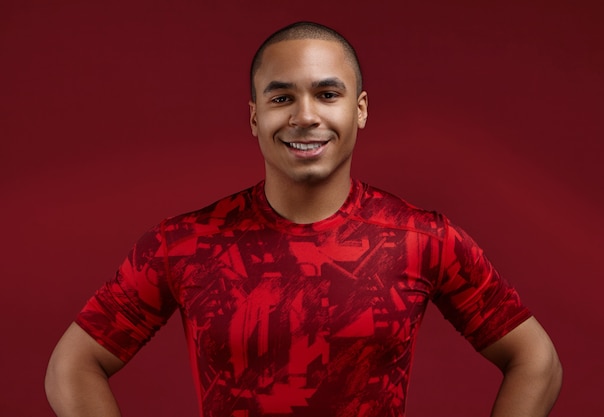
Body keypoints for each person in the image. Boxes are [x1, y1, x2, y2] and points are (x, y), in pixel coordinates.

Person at [45, 21, 562, 417]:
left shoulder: (421, 238)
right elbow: (73, 366)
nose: (305, 115)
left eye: (327, 94)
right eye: (282, 97)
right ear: (255, 117)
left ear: (359, 109)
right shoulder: (184, 242)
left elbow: (537, 360)